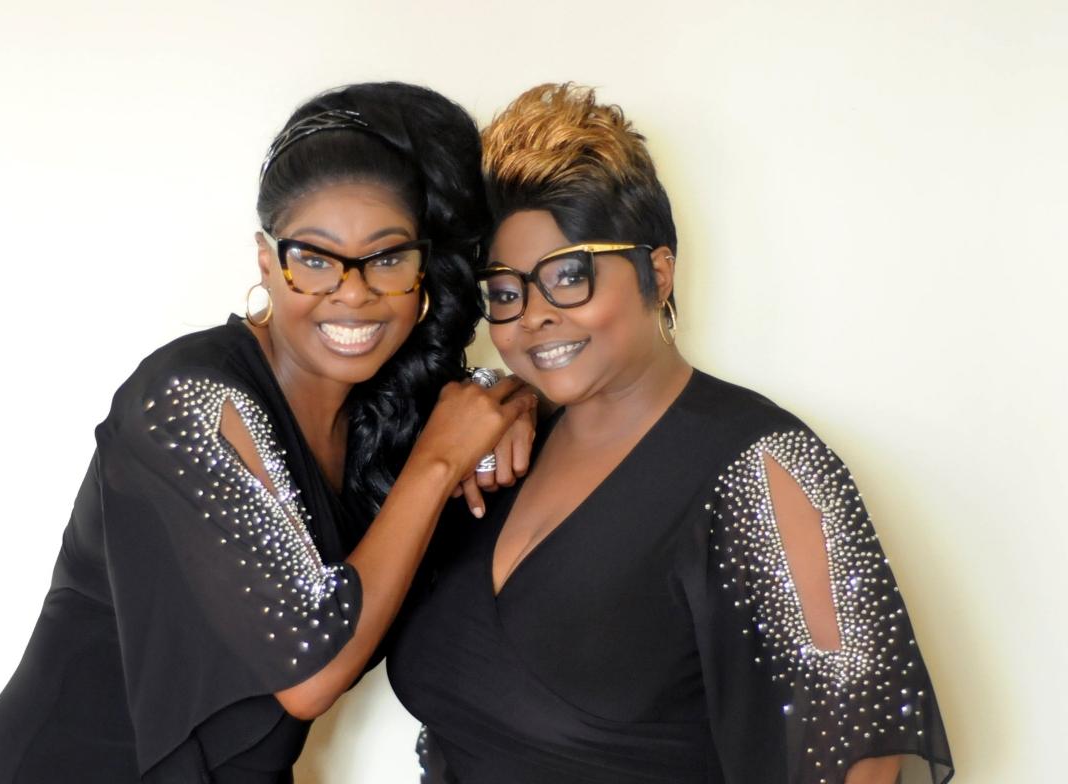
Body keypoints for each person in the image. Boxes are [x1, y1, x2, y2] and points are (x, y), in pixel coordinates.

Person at [0, 82, 535, 784]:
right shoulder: (189, 401)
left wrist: (509, 392)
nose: (352, 292)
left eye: (386, 258)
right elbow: (311, 670)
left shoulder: (387, 413)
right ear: (266, 262)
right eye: (314, 257)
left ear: (423, 274)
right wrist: (440, 460)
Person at [388, 83, 954, 784]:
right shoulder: (499, 450)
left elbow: (864, 758)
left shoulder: (765, 469)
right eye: (506, 291)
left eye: (570, 277)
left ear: (657, 271)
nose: (533, 315)